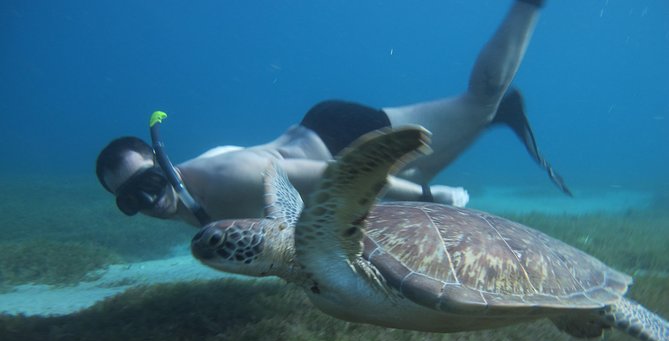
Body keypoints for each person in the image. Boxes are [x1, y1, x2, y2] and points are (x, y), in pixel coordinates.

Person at [97, 0, 567, 228]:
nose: (149, 201)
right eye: (131, 200)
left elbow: (337, 174)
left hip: (338, 137)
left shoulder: (226, 178)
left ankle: (530, 8)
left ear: (165, 165)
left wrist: (433, 197)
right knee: (462, 129)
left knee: (475, 102)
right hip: (316, 147)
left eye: (149, 182)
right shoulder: (183, 198)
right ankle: (499, 115)